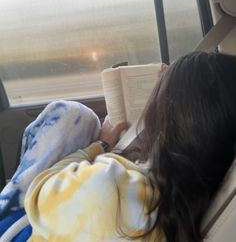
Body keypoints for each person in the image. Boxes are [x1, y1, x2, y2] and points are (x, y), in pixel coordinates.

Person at [1, 51, 236, 242]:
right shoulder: (180, 216)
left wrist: (100, 146)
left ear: (165, 119)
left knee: (69, 113)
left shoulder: (108, 185)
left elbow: (37, 191)